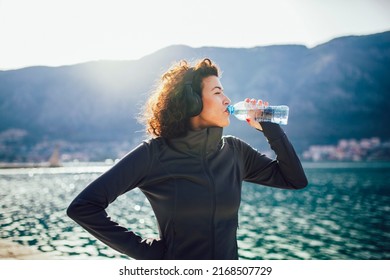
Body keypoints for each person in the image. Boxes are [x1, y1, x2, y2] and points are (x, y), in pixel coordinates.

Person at [67, 58, 308, 260]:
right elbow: (84, 207)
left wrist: (270, 128)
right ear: (192, 101)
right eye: (217, 92)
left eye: (224, 92)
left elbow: (294, 180)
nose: (227, 99)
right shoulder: (154, 154)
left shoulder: (235, 151)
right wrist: (152, 254)